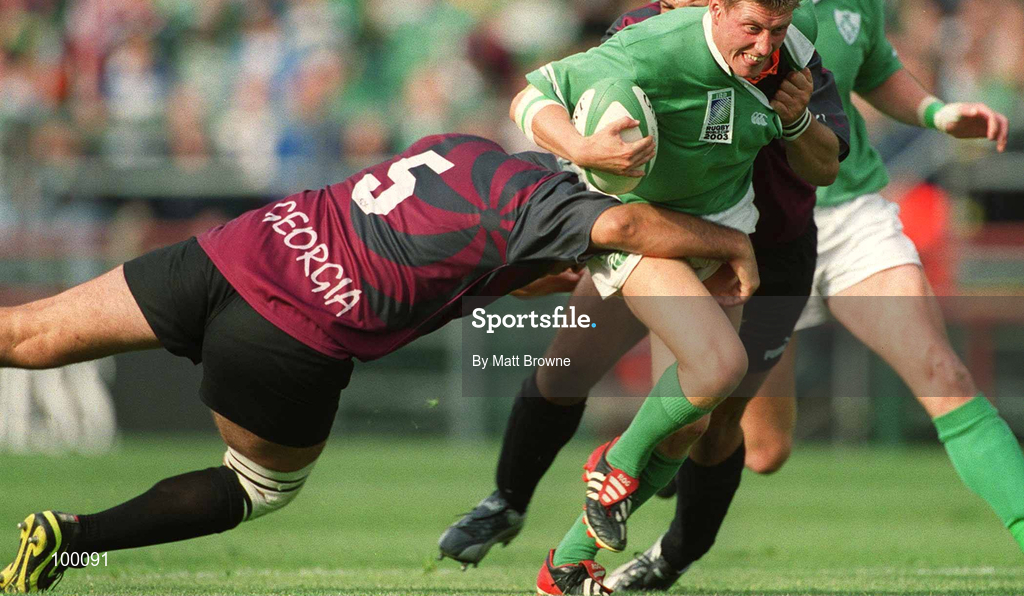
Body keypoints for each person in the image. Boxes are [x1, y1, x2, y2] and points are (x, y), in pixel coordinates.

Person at [0, 133, 766, 594]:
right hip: (291, 330)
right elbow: (624, 221)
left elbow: (452, 257)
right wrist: (733, 243)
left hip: (238, 250)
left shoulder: (463, 150)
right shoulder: (550, 205)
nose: (574, 271)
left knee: (22, 335)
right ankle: (75, 539)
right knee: (255, 485)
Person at [610, 0, 1021, 589]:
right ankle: (634, 548)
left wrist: (938, 112)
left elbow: (880, 67)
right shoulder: (708, 5)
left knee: (942, 374)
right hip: (759, 233)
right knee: (752, 444)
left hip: (853, 213)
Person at [438, 0, 849, 592]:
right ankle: (532, 491)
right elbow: (536, 96)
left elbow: (826, 163)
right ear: (711, 7)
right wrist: (581, 150)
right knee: (595, 367)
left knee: (698, 422)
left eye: (776, 28)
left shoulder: (793, 41)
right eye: (753, 28)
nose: (766, 43)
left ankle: (569, 562)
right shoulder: (643, 46)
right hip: (648, 229)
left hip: (734, 234)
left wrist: (796, 119)